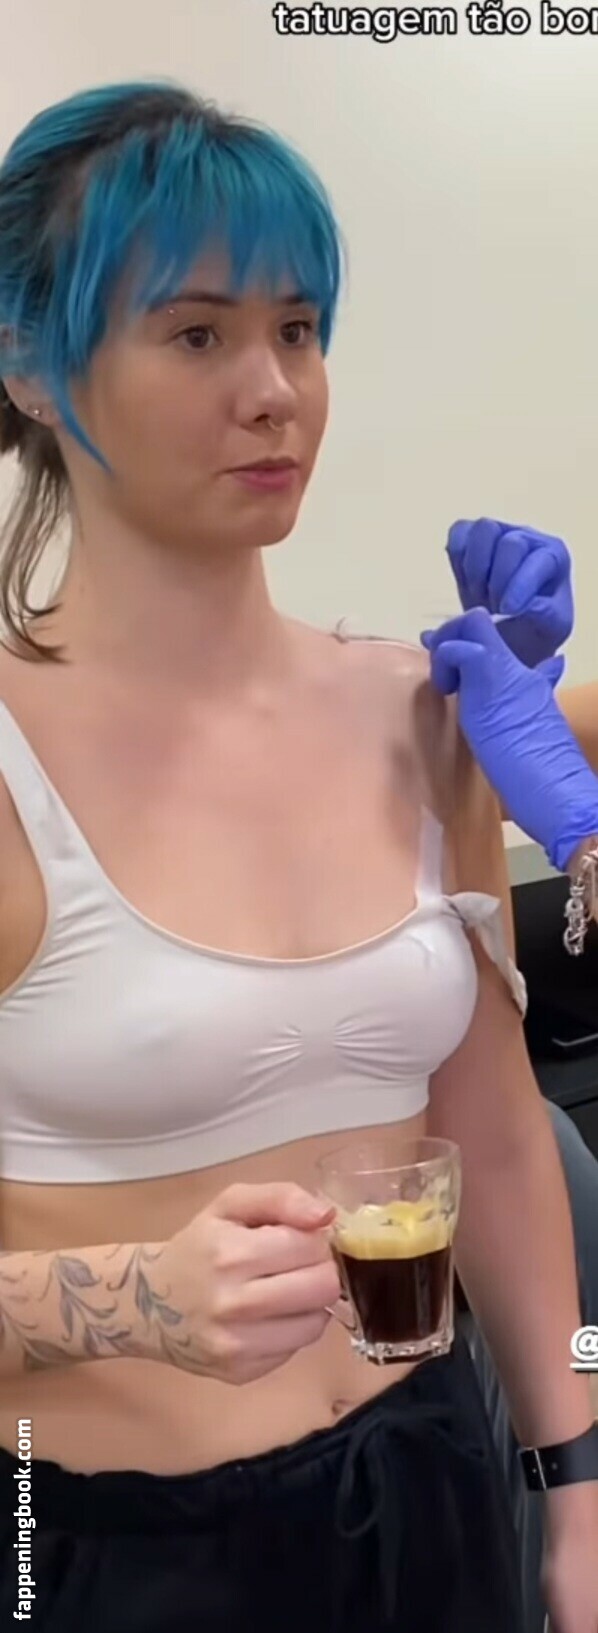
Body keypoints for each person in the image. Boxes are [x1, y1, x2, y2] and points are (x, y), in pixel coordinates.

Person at [0, 81, 595, 1633]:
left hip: (426, 1484)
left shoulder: (422, 709)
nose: (274, 391)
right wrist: (118, 1295)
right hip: (103, 1545)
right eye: (197, 334)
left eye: (299, 329)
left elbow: (496, 1133)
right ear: (30, 367)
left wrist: (576, 1472)